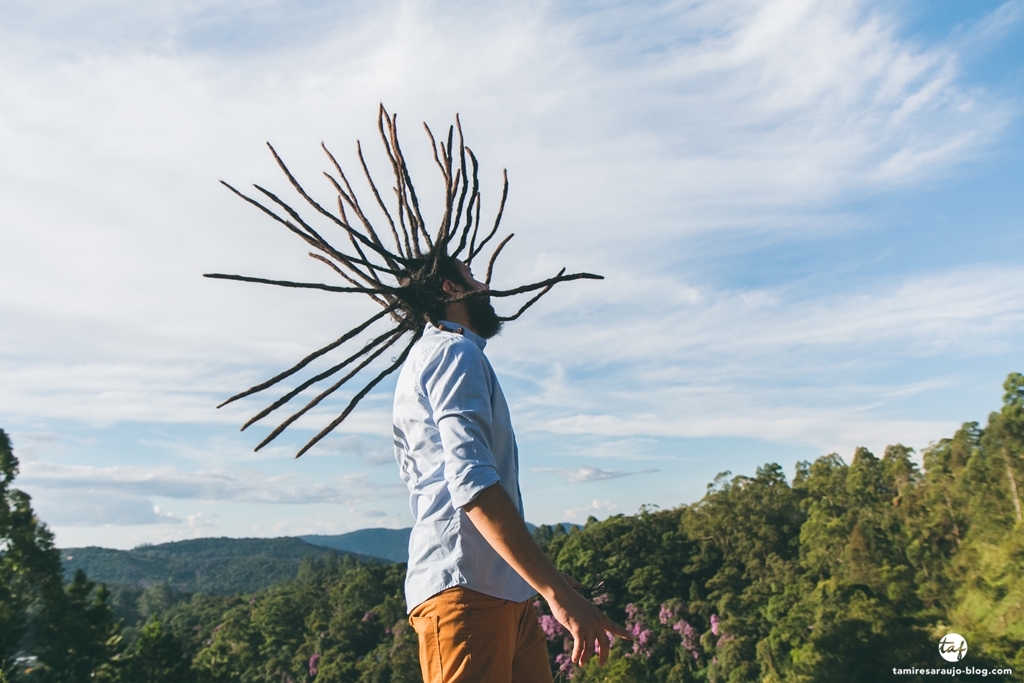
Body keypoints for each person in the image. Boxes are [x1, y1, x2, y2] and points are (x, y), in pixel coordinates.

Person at [393, 257, 630, 683]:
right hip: (465, 594)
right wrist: (558, 595)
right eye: (472, 277)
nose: (484, 285)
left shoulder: (441, 355)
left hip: (502, 593)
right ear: (451, 289)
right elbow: (471, 483)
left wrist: (546, 579)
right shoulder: (452, 352)